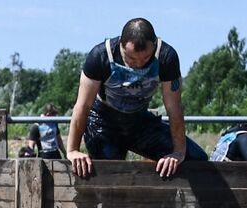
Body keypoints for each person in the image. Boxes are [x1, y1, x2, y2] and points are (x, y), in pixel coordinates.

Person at [65, 18, 208, 179]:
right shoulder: (100, 56)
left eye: (146, 59)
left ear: (154, 46)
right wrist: (72, 150)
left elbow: (174, 107)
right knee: (108, 176)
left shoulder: (166, 57)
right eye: (131, 59)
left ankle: (154, 188)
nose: (138, 64)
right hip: (104, 122)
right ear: (120, 45)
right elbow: (83, 106)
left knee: (196, 159)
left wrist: (178, 152)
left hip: (139, 121)